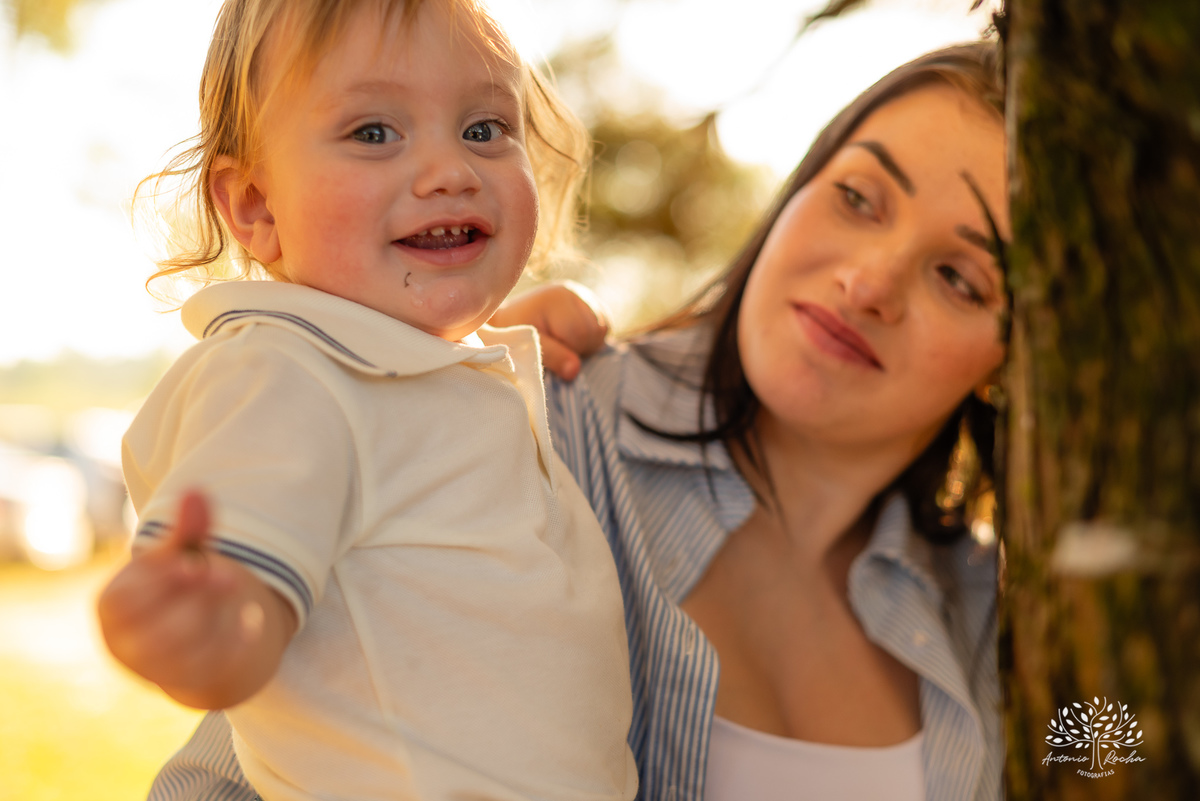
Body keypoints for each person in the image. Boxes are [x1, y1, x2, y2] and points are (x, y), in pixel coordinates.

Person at [140, 39, 1008, 801]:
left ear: (1016, 363)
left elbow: (1115, 752)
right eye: (858, 197)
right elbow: (222, 781)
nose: (870, 282)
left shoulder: (992, 607)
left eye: (960, 278)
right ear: (796, 189)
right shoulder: (515, 427)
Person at [96, 1, 640, 800]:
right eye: (374, 133)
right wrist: (205, 624)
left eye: (485, 128)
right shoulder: (285, 376)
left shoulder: (385, 367)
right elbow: (244, 607)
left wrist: (493, 331)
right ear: (256, 207)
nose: (451, 170)